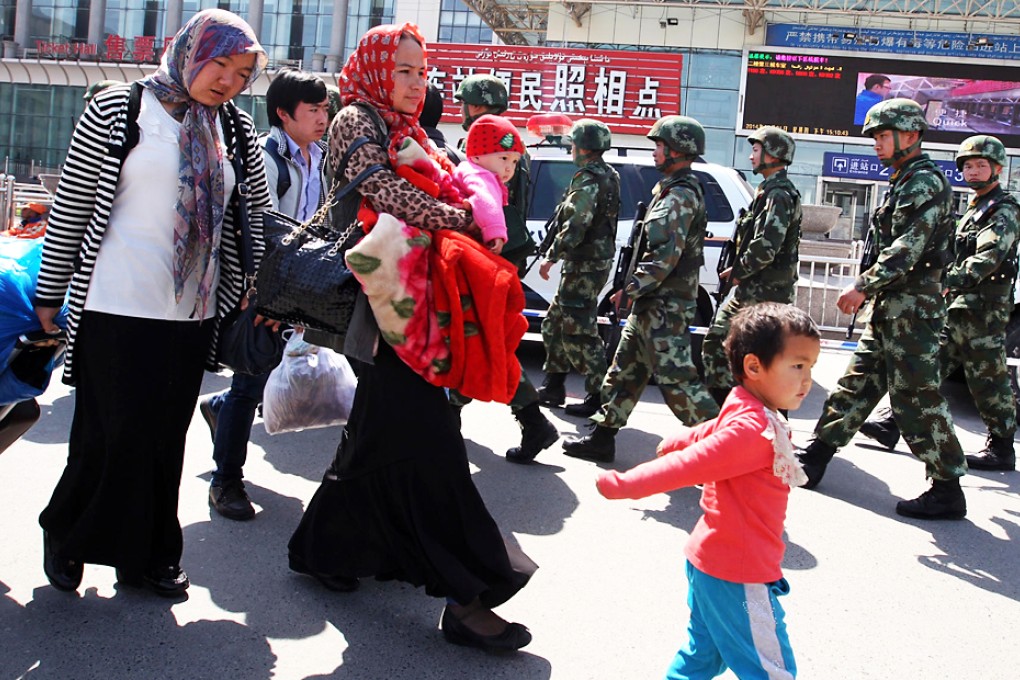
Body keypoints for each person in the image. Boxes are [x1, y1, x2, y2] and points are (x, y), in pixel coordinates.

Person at [287, 23, 534, 652]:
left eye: (422, 71)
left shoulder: (413, 130)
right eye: (402, 70)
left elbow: (451, 180)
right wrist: (462, 219)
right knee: (432, 446)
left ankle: (322, 548)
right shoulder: (353, 120)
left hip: (421, 305)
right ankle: (467, 598)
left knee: (375, 441)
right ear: (374, 69)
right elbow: (379, 188)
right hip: (388, 305)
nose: (415, 81)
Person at [33, 9, 271, 595]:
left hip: (191, 312)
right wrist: (50, 293)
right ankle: (66, 533)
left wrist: (258, 285)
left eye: (241, 73)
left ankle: (152, 556)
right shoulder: (121, 108)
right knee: (108, 435)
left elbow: (257, 218)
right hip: (115, 302)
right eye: (219, 62)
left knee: (165, 438)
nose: (226, 80)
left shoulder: (234, 129)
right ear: (189, 50)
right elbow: (71, 207)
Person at [597, 302, 819, 680]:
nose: (807, 380)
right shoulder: (753, 431)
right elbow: (693, 464)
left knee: (702, 658)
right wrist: (626, 485)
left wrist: (681, 437)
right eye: (797, 366)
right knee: (771, 670)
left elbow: (715, 429)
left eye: (811, 367)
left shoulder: (748, 404)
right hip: (739, 573)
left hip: (714, 563)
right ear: (753, 367)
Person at [797, 98, 968, 520]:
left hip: (912, 308)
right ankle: (816, 456)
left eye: (883, 134)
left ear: (910, 135)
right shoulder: (904, 179)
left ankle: (947, 488)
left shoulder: (923, 183)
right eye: (874, 135)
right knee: (857, 383)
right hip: (894, 305)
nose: (876, 142)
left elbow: (907, 247)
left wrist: (861, 285)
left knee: (915, 397)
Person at [199, 68, 330, 521]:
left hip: (303, 284)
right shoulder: (266, 159)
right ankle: (225, 481)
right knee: (249, 378)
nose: (322, 117)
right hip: (268, 287)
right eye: (312, 109)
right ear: (283, 114)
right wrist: (263, 296)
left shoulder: (321, 157)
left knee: (266, 374)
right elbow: (258, 232)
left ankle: (218, 410)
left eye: (324, 108)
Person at [562, 116, 720, 463]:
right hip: (653, 300)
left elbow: (663, 256)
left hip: (664, 303)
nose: (655, 152)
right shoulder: (669, 189)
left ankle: (727, 444)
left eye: (659, 145)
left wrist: (631, 287)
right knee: (625, 369)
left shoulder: (678, 195)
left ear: (677, 150)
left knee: (677, 378)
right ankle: (603, 436)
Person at [859, 135, 1019, 472]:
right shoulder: (976, 208)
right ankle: (891, 424)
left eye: (980, 165)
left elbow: (988, 257)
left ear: (998, 169)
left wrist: (948, 281)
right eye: (968, 166)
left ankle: (1002, 446)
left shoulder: (1003, 210)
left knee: (988, 379)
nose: (973, 172)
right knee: (925, 367)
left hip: (984, 310)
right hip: (959, 307)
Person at [448, 73, 557, 464]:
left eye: (464, 103)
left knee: (479, 341)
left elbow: (497, 211)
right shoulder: (506, 142)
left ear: (476, 105)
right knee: (489, 342)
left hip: (493, 255)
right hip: (499, 255)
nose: (460, 110)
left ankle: (449, 419)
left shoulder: (491, 145)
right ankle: (532, 422)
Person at [702, 126, 802, 405]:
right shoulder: (768, 191)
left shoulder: (779, 194)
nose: (751, 157)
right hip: (754, 291)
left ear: (773, 154)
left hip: (766, 294)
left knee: (755, 361)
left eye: (756, 150)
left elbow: (767, 244)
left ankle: (752, 420)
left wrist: (738, 271)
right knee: (723, 348)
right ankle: (729, 414)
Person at [535, 118, 621, 418]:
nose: (571, 147)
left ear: (583, 147)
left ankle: (599, 394)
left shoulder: (587, 179)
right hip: (591, 260)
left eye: (573, 143)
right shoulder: (608, 174)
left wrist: (552, 255)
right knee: (554, 322)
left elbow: (577, 221)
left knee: (580, 330)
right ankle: (554, 385)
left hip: (584, 263)